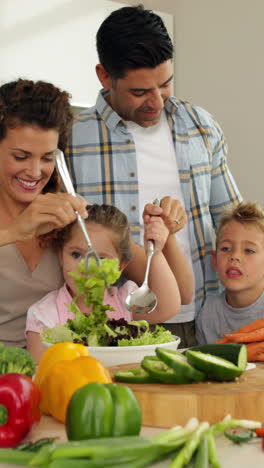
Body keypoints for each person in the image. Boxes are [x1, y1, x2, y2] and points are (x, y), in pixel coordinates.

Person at [66, 5, 242, 347]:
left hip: (202, 317)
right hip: (113, 323)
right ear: (105, 76)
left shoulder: (201, 125)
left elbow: (231, 219)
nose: (157, 102)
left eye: (164, 84)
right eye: (139, 91)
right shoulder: (72, 137)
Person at [26, 203, 185, 362]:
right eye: (76, 254)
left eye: (101, 258)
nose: (87, 267)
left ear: (120, 267)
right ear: (60, 257)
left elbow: (167, 307)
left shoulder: (125, 300)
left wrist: (156, 253)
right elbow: (40, 371)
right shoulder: (44, 314)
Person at [0, 78, 90, 347]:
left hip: (58, 371)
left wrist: (161, 234)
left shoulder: (66, 216)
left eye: (47, 157)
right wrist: (14, 232)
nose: (35, 171)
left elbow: (175, 295)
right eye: (20, 156)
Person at [195, 202, 264, 344]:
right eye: (226, 248)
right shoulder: (208, 312)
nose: (235, 256)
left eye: (249, 250)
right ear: (214, 260)